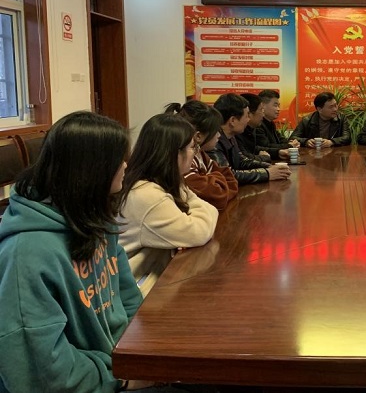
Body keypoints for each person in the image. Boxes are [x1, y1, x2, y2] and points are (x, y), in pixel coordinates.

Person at [0, 111, 142, 393]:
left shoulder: (94, 218)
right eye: (118, 159)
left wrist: (144, 358)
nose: (126, 166)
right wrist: (122, 379)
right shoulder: (26, 254)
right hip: (90, 383)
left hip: (116, 367)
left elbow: (129, 299)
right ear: (91, 170)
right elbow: (44, 374)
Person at [117, 114, 219, 296]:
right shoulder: (146, 195)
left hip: (149, 281)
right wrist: (193, 201)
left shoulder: (156, 182)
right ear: (174, 153)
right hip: (136, 293)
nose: (195, 153)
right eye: (192, 147)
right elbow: (198, 232)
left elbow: (207, 209)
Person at [165, 100, 239, 210]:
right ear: (198, 136)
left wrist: (209, 178)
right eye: (215, 131)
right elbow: (218, 196)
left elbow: (231, 179)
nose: (219, 135)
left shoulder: (199, 153)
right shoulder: (184, 160)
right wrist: (214, 178)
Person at [209, 93, 291, 184]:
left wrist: (269, 167)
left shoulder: (230, 137)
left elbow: (241, 161)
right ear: (232, 120)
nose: (248, 120)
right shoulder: (213, 141)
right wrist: (267, 173)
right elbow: (227, 176)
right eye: (247, 116)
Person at [237, 93, 291, 162]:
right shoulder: (237, 133)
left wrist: (277, 152)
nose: (263, 114)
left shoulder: (251, 128)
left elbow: (253, 149)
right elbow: (243, 159)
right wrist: (264, 158)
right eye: (261, 110)